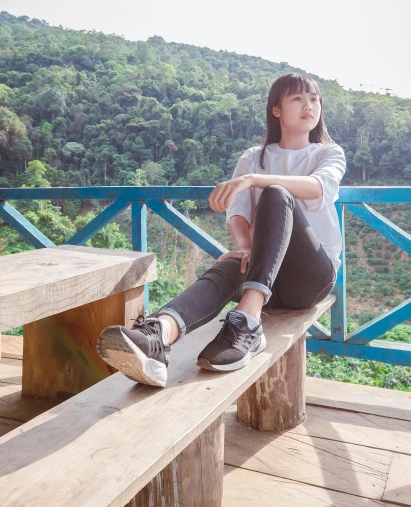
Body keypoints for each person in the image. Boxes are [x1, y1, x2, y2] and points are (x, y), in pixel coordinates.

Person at [96, 72, 346, 388]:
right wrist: (243, 245)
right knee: (229, 265)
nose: (309, 105)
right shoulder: (254, 157)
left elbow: (318, 188)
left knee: (276, 194)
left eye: (314, 99)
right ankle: (158, 335)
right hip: (265, 273)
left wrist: (257, 180)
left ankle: (248, 322)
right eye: (298, 98)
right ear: (277, 109)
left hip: (310, 278)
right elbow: (237, 211)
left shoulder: (327, 153)